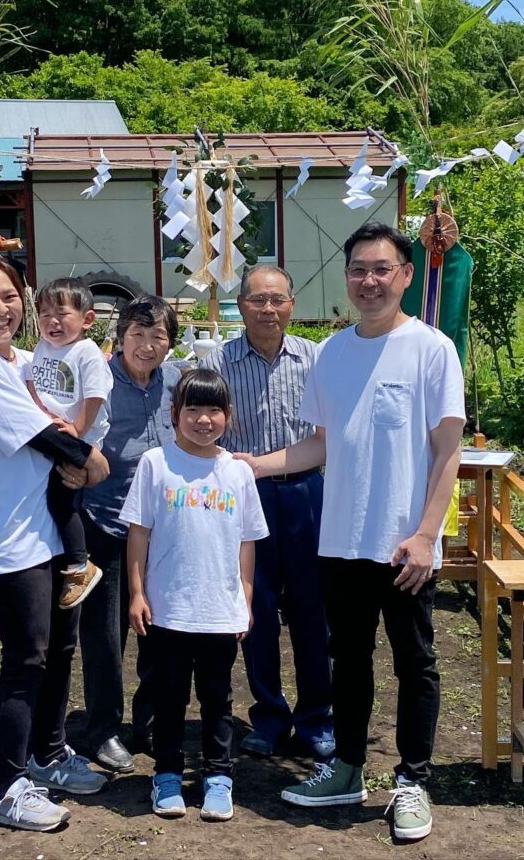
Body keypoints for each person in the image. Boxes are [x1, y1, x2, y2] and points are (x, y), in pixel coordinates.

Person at [244, 222, 465, 842]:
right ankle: (346, 768)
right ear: (347, 278)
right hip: (340, 539)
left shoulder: (431, 349)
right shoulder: (334, 352)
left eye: (381, 269)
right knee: (349, 662)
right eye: (358, 270)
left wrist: (427, 534)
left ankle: (413, 780)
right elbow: (319, 442)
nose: (369, 281)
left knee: (414, 662)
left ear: (405, 275)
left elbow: (447, 451)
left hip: (403, 545)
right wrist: (252, 465)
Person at [0, 256, 110, 832]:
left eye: (10, 296)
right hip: (1, 533)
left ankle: (49, 752)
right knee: (27, 655)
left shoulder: (24, 361)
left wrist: (77, 457)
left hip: (44, 524)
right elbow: (38, 432)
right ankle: (8, 786)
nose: (2, 309)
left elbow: (61, 412)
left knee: (61, 646)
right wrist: (89, 461)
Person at [122, 369, 267, 822]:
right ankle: (166, 773)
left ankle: (218, 775)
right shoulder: (155, 464)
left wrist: (244, 600)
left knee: (218, 698)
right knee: (168, 697)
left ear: (228, 415)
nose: (203, 420)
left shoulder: (238, 472)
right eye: (193, 410)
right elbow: (139, 534)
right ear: (174, 414)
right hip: (167, 610)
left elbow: (247, 542)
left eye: (214, 410)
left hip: (219, 612)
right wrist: (137, 593)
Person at [201, 265, 333, 760]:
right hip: (240, 501)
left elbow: (326, 439)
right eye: (257, 300)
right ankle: (270, 716)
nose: (268, 310)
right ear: (242, 305)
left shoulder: (315, 359)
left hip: (303, 494)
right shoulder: (219, 362)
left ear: (292, 304)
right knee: (253, 609)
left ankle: (317, 717)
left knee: (312, 610)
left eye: (277, 300)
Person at [74, 295, 182, 773]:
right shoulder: (97, 382)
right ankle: (102, 729)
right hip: (105, 523)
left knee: (161, 630)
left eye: (158, 336)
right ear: (119, 338)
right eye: (137, 335)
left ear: (170, 344)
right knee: (105, 636)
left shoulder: (177, 382)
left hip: (163, 530)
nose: (146, 345)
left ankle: (154, 720)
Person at [25, 277, 113, 609]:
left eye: (62, 314)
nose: (53, 322)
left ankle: (79, 565)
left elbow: (94, 397)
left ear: (87, 320)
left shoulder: (86, 352)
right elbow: (34, 384)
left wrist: (77, 429)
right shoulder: (41, 347)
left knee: (61, 501)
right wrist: (37, 412)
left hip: (78, 438)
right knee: (47, 498)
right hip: (52, 433)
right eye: (45, 314)